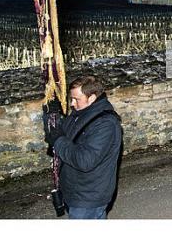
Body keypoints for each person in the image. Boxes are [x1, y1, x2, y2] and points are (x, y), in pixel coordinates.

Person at [43, 76, 122, 219]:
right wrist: (50, 116)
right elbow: (61, 136)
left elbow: (84, 160)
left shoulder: (105, 124)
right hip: (75, 191)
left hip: (89, 196)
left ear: (91, 98)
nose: (72, 104)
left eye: (76, 99)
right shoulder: (80, 113)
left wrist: (58, 140)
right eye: (71, 99)